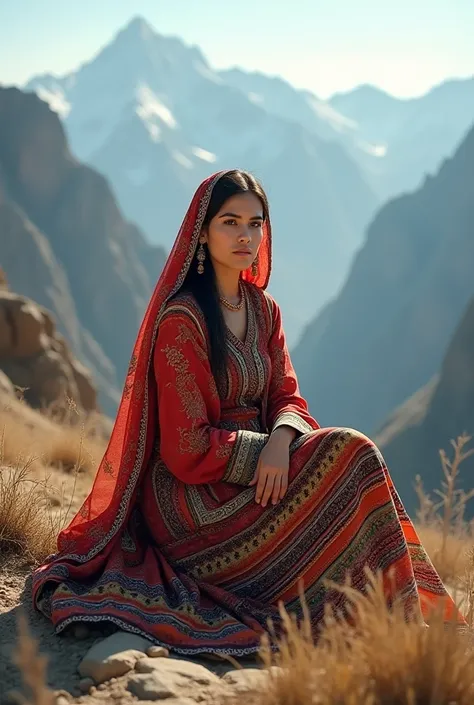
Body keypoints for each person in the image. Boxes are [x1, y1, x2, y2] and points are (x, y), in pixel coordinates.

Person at [32, 169, 464, 656]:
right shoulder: (182, 320)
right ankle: (399, 623)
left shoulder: (264, 310)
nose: (245, 235)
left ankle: (401, 621)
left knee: (354, 459)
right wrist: (263, 453)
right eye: (230, 222)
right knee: (351, 452)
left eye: (255, 223)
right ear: (203, 230)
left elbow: (288, 396)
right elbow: (186, 449)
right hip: (191, 499)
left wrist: (281, 441)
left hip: (261, 472)